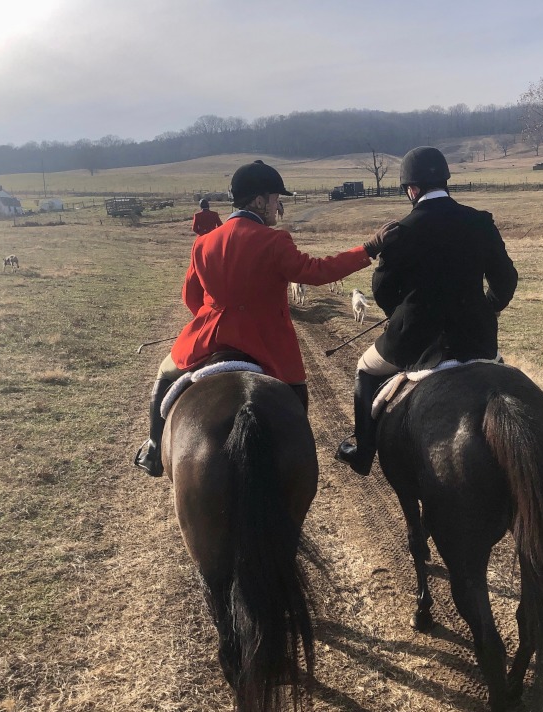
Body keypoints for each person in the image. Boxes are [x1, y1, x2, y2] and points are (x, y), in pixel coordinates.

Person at [134, 159, 400, 477]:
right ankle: (296, 461)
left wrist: (211, 318)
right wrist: (368, 249)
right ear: (259, 200)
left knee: (165, 374)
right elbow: (317, 272)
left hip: (211, 336)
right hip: (267, 344)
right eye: (276, 198)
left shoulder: (203, 243)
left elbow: (190, 298)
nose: (278, 205)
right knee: (295, 394)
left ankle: (152, 449)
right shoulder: (274, 241)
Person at [335, 146, 518, 476]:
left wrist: (402, 315)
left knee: (364, 368)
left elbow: (383, 291)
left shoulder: (399, 232)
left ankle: (363, 452)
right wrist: (487, 308)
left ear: (413, 189)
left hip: (415, 341)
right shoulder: (480, 221)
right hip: (476, 337)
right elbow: (506, 279)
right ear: (445, 182)